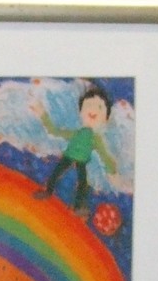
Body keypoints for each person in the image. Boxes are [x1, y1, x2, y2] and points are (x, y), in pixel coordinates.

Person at [36, 83, 117, 214]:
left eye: (100, 107)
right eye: (89, 105)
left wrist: (111, 169)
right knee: (56, 173)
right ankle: (48, 191)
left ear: (106, 118)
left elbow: (104, 154)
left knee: (82, 183)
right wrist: (42, 114)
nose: (93, 110)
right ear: (81, 111)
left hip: (82, 161)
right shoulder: (77, 133)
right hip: (68, 156)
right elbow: (54, 131)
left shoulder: (96, 139)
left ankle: (78, 207)